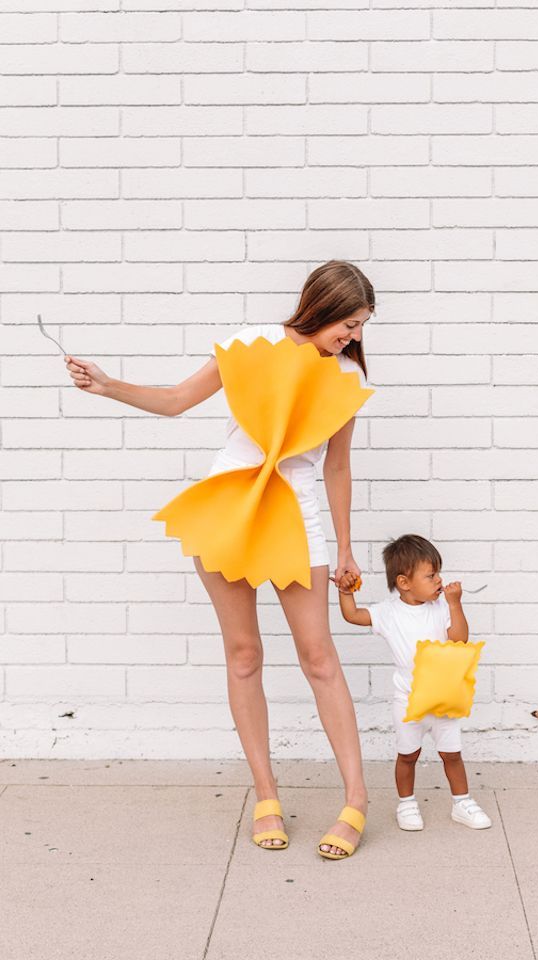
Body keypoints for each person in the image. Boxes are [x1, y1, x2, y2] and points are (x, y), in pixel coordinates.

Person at [64, 260, 374, 860]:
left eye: (361, 326)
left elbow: (337, 467)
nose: (355, 336)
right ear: (322, 307)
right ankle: (266, 796)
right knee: (243, 655)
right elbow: (179, 399)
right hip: (229, 511)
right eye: (351, 323)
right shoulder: (247, 347)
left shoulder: (343, 378)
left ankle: (356, 799)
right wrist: (108, 385)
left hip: (298, 518)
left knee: (320, 659)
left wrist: (343, 544)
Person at [333, 534, 492, 832]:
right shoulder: (389, 612)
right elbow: (352, 615)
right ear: (405, 583)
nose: (439, 580)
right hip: (407, 700)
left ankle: (463, 802)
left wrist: (455, 604)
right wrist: (345, 592)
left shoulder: (441, 607)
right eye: (431, 575)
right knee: (408, 755)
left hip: (443, 698)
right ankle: (406, 803)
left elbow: (459, 640)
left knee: (452, 754)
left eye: (438, 573)